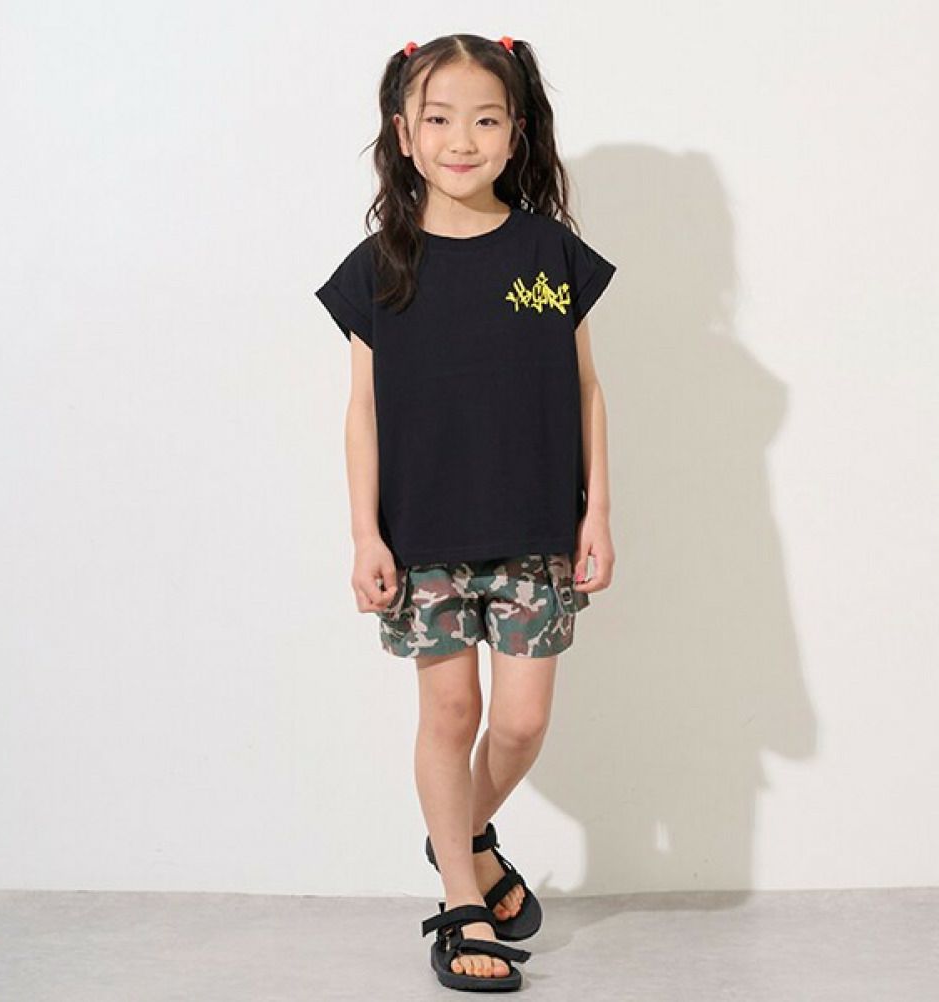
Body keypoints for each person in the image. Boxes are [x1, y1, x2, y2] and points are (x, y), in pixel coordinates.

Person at [315, 33, 617, 992]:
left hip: (535, 526)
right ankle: (461, 897)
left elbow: (587, 389)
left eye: (485, 119)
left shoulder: (549, 252)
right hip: (424, 535)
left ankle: (463, 833)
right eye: (439, 119)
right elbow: (361, 411)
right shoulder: (380, 265)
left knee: (520, 723)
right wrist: (365, 533)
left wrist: (597, 513)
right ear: (403, 134)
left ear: (515, 132)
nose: (461, 139)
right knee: (451, 711)